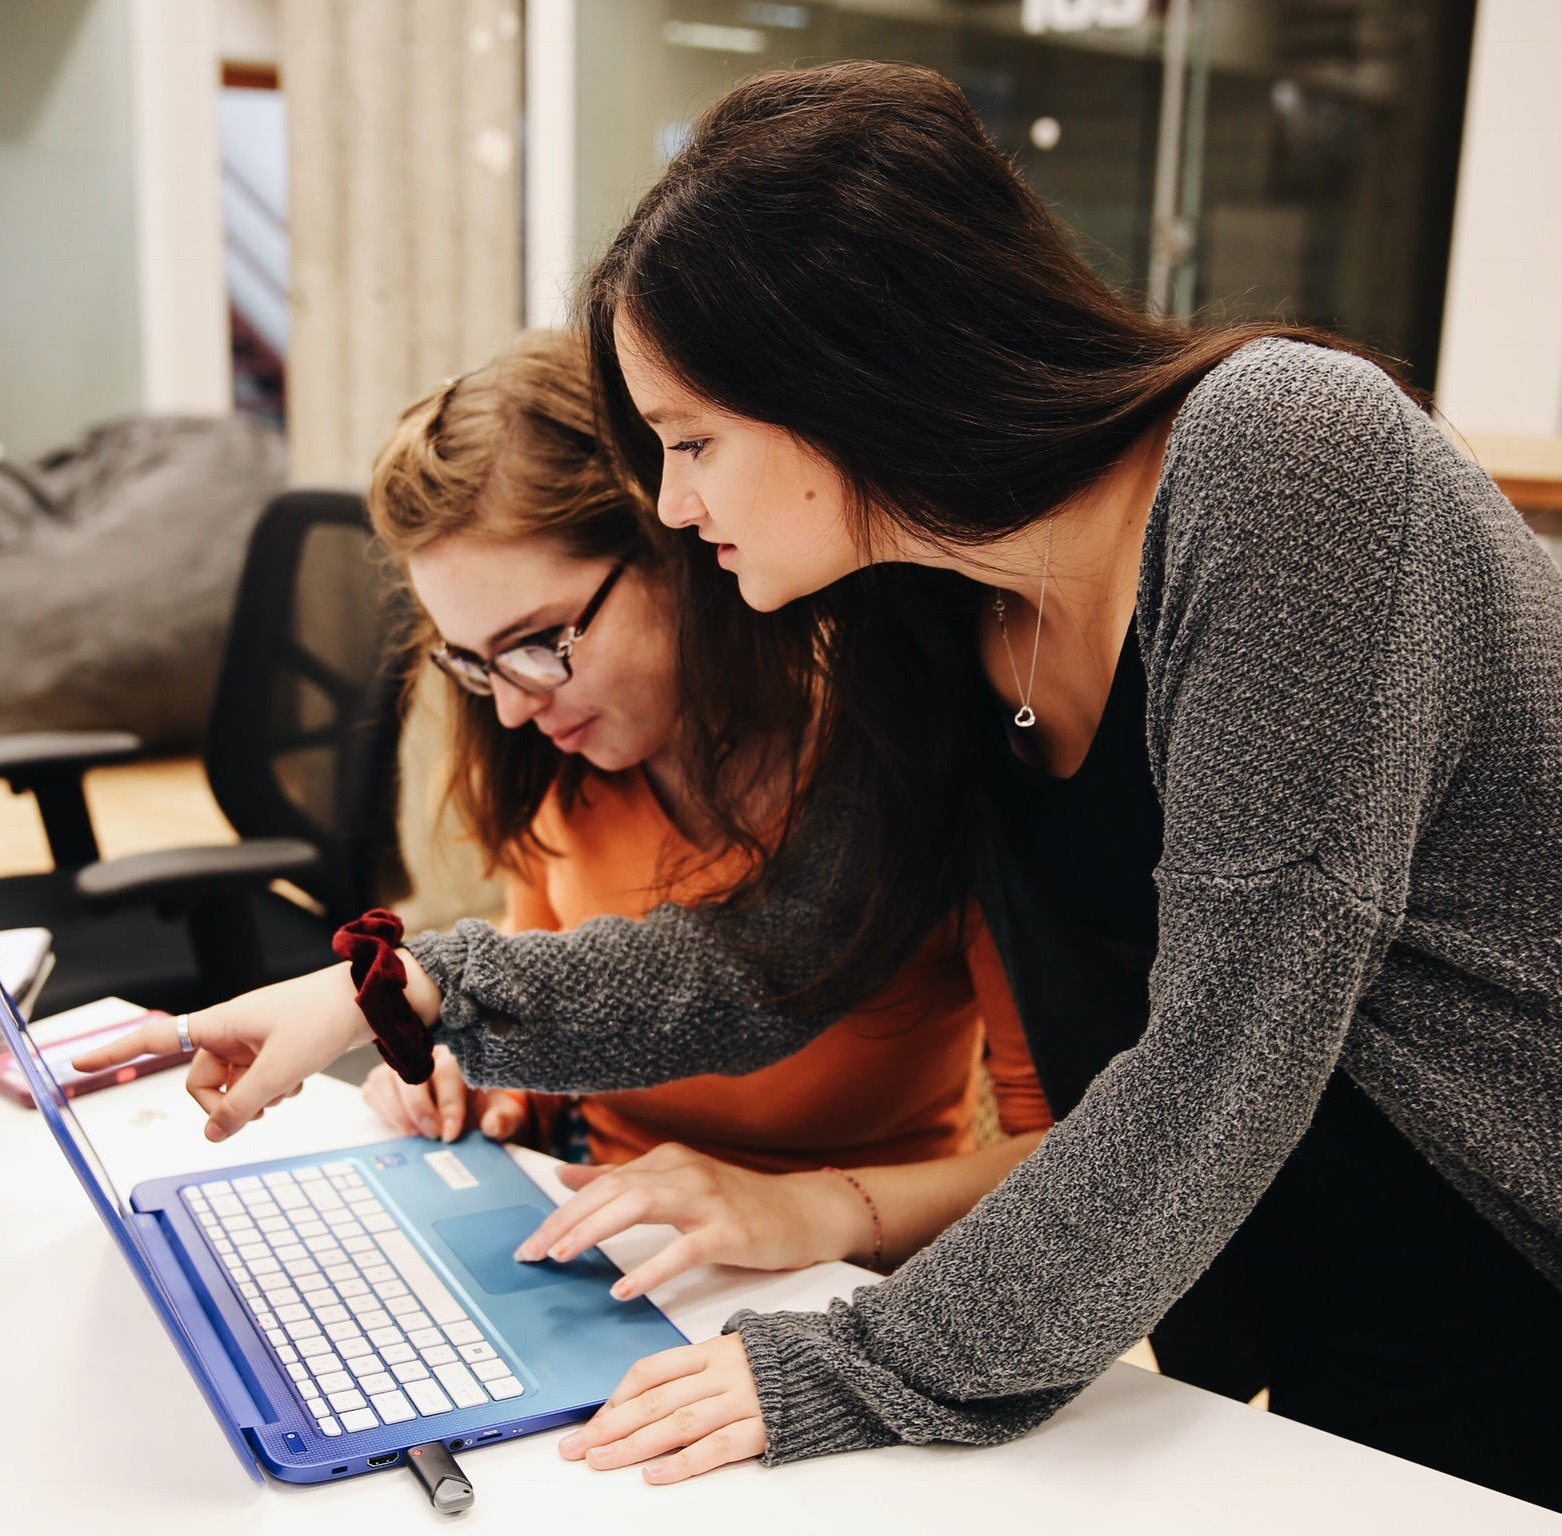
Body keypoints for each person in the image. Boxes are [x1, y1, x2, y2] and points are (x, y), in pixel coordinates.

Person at [82, 64, 1562, 1535]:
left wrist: (852, 1367)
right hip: (1323, 1150)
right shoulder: (928, 599)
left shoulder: (1284, 458)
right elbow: (775, 956)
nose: (676, 509)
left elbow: (1227, 1048)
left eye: (691, 443)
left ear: (842, 371)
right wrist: (389, 993)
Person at [355, 329, 1050, 1295]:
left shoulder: (919, 766)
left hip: (854, 1274)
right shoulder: (553, 752)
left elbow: (1067, 1160)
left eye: (537, 643)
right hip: (605, 1245)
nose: (510, 707)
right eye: (473, 662)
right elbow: (551, 993)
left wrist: (810, 1208)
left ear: (680, 545)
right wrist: (492, 1083)